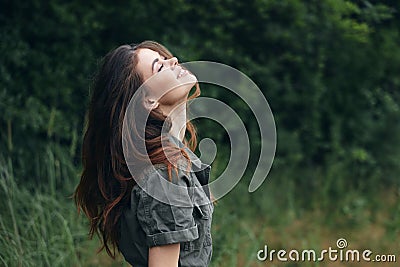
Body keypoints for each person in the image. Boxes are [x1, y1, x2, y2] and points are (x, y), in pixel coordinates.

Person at [74, 41, 213, 267]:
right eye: (159, 67)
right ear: (149, 101)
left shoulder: (167, 160)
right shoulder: (165, 175)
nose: (174, 61)